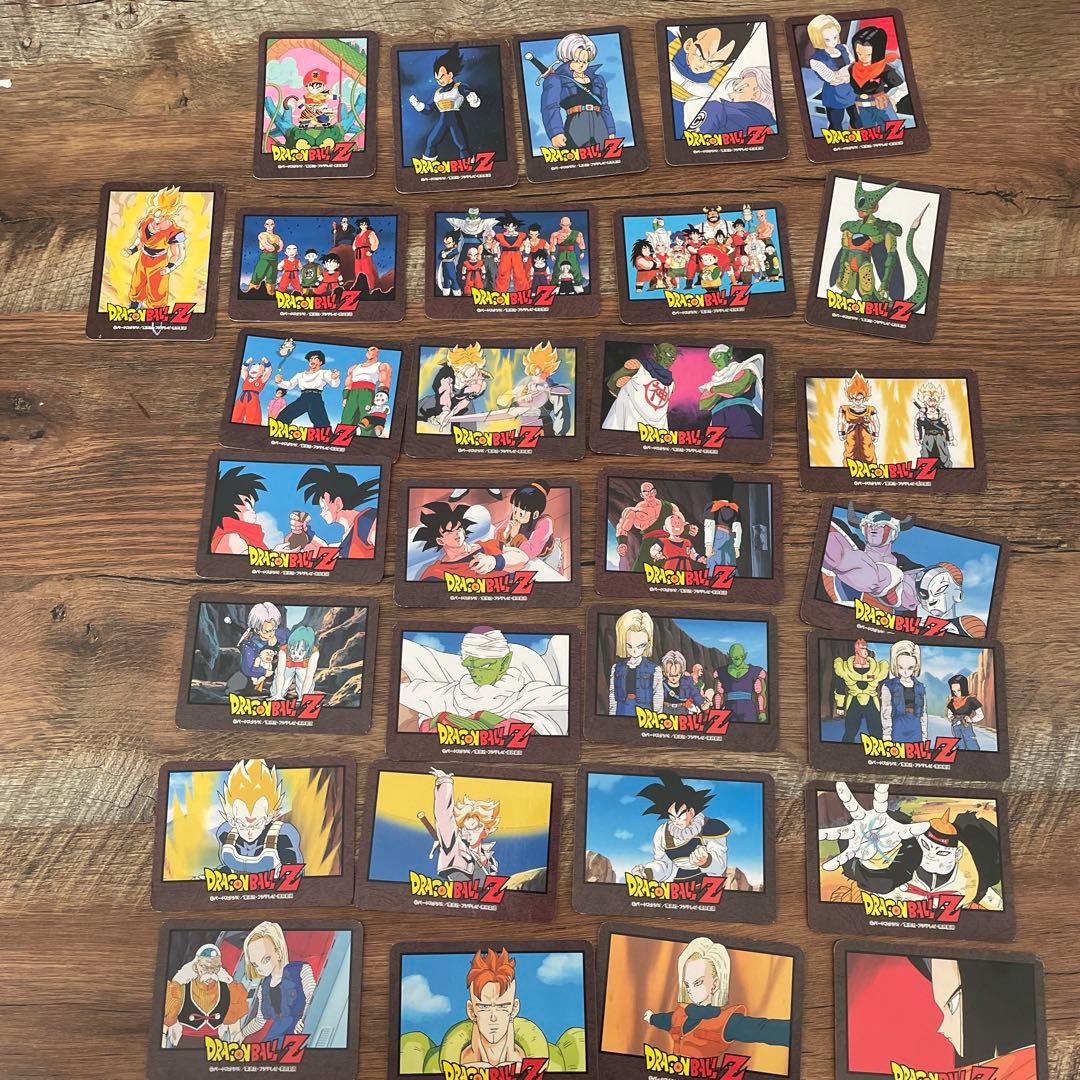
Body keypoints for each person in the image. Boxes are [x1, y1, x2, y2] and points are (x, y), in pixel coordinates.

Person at [398, 626, 568, 735]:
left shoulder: (531, 694)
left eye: (484, 665)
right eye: (470, 666)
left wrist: (484, 719)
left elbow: (560, 706)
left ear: (505, 662)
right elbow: (410, 693)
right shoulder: (449, 693)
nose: (476, 673)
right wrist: (434, 722)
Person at [644, 936, 791, 1058]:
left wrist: (795, 1030)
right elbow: (665, 1020)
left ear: (715, 984)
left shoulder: (727, 1022)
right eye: (687, 985)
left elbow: (763, 1030)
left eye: (698, 983)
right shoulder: (680, 1014)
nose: (690, 991)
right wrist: (651, 1017)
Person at [630, 772, 730, 884]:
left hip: (708, 883)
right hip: (680, 885)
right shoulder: (663, 833)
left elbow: (720, 865)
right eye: (672, 816)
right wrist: (648, 873)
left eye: (680, 815)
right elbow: (663, 864)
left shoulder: (711, 827)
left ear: (691, 812)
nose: (676, 821)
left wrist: (706, 861)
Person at [215, 759, 303, 874]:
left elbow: (295, 876)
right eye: (242, 825)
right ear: (232, 819)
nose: (249, 831)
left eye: (257, 824)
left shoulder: (283, 835)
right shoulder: (225, 832)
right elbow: (227, 869)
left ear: (269, 816)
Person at [238, 922, 316, 1045]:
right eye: (255, 965)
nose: (260, 969)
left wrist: (305, 1020)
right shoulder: (263, 987)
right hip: (274, 1038)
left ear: (278, 953)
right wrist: (242, 1034)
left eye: (266, 959)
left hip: (300, 1032)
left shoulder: (302, 970)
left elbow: (313, 998)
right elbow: (259, 1021)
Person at [538, 32, 615, 150]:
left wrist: (610, 130)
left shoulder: (598, 80)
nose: (582, 65)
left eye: (585, 61)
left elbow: (605, 107)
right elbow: (550, 107)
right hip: (576, 125)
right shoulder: (556, 79)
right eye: (578, 60)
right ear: (566, 58)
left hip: (600, 125)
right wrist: (555, 132)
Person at [162, 942, 247, 1048]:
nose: (209, 972)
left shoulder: (229, 991)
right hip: (187, 1045)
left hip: (215, 1048)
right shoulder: (180, 990)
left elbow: (235, 1031)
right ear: (195, 967)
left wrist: (235, 1043)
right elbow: (164, 1027)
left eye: (214, 968)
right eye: (205, 967)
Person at [409, 45, 482, 162]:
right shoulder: (437, 92)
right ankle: (428, 165)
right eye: (437, 79)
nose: (440, 80)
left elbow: (468, 94)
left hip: (455, 121)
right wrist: (417, 104)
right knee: (431, 142)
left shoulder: (459, 87)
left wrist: (473, 99)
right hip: (442, 122)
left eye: (442, 76)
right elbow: (428, 109)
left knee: (462, 145)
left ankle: (468, 166)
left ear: (450, 74)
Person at [124, 186, 187, 310]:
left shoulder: (174, 231)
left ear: (168, 215)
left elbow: (179, 254)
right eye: (155, 216)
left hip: (159, 263)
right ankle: (135, 304)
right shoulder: (146, 222)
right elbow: (140, 240)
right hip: (143, 259)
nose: (157, 220)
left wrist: (169, 267)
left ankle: (156, 311)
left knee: (157, 288)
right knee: (137, 283)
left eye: (161, 217)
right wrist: (132, 250)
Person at [805, 14, 858, 131]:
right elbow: (832, 79)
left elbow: (855, 66)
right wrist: (847, 72)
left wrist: (845, 74)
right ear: (819, 39)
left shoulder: (844, 48)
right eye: (827, 39)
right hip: (834, 97)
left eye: (835, 37)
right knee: (836, 126)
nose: (833, 41)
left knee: (857, 120)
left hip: (850, 91)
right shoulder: (816, 60)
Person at [608, 608, 662, 716]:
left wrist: (657, 719)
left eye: (640, 646)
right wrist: (611, 716)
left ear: (648, 644)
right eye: (629, 646)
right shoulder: (616, 668)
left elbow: (658, 697)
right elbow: (612, 696)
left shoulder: (655, 669)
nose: (634, 650)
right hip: (622, 710)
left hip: (645, 713)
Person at [832, 638, 888, 741]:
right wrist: (840, 706)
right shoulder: (844, 667)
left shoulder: (878, 668)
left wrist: (887, 704)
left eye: (866, 648)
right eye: (862, 648)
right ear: (856, 650)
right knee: (850, 731)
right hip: (854, 701)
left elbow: (885, 684)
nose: (865, 651)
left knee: (876, 732)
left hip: (872, 701)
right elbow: (840, 686)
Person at [274, 350, 341, 429]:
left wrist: (335, 378)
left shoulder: (324, 373)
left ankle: (326, 435)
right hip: (303, 397)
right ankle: (276, 432)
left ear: (320, 362)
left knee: (321, 423)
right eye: (310, 359)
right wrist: (280, 382)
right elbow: (290, 385)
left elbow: (334, 385)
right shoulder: (300, 375)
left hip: (315, 398)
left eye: (315, 358)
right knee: (284, 415)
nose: (312, 361)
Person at [880, 639, 927, 742]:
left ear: (916, 667)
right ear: (895, 665)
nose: (905, 672)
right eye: (901, 667)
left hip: (915, 729)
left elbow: (923, 713)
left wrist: (924, 736)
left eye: (910, 668)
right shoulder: (888, 686)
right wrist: (886, 734)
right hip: (898, 728)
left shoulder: (920, 687)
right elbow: (886, 712)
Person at [341, 345, 391, 428]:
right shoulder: (354, 367)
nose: (369, 351)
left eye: (373, 349)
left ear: (377, 352)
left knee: (367, 419)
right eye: (368, 350)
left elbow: (384, 381)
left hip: (367, 393)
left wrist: (381, 398)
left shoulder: (381, 365)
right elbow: (348, 384)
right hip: (352, 394)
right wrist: (345, 397)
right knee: (346, 419)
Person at [945, 674, 984, 751]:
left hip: (965, 724)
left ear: (964, 687)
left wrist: (971, 719)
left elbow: (980, 715)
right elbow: (950, 712)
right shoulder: (953, 701)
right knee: (959, 743)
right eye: (953, 691)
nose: (956, 693)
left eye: (959, 690)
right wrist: (951, 717)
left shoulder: (971, 700)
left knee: (971, 743)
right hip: (955, 725)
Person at [245, 218, 283, 295]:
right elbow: (268, 247)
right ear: (265, 225)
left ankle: (270, 292)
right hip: (265, 256)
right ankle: (251, 290)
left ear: (274, 225)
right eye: (267, 224)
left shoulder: (277, 237)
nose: (269, 226)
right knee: (259, 273)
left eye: (272, 224)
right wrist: (275, 246)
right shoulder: (262, 234)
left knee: (272, 275)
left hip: (274, 257)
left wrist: (272, 245)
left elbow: (280, 248)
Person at [231, 356, 273, 425]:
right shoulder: (246, 378)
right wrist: (247, 362)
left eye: (258, 369)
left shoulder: (261, 380)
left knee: (253, 415)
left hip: (253, 398)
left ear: (262, 373)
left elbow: (268, 372)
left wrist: (266, 362)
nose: (254, 369)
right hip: (241, 398)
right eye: (252, 368)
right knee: (236, 413)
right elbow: (243, 370)